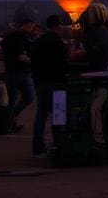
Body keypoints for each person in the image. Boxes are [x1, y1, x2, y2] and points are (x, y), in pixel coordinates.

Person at [30, 15, 68, 157]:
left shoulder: (38, 41)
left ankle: (38, 148)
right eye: (61, 26)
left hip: (40, 82)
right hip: (54, 82)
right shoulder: (57, 42)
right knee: (57, 115)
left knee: (41, 115)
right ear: (57, 26)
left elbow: (32, 61)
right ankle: (59, 145)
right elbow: (63, 64)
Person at [3, 17, 36, 132]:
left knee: (28, 97)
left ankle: (10, 118)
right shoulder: (15, 37)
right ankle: (9, 124)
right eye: (30, 26)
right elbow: (19, 56)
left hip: (24, 72)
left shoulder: (26, 37)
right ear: (24, 24)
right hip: (15, 72)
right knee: (13, 99)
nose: (32, 28)